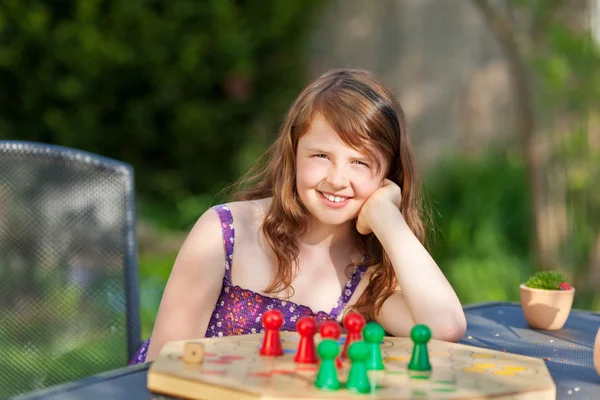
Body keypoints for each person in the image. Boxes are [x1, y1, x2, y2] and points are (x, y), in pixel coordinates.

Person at [130, 68, 466, 364]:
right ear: (293, 153)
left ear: (388, 174)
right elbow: (163, 368)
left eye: (360, 162)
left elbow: (444, 327)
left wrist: (387, 217)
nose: (337, 179)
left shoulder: (368, 277)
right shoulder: (226, 233)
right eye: (321, 155)